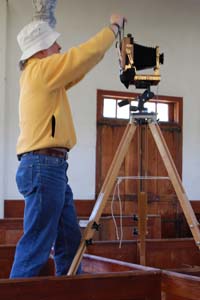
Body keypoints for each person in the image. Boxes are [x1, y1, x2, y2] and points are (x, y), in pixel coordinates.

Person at [10, 14, 126, 278]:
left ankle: (69, 289)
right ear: (41, 50)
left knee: (69, 242)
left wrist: (100, 52)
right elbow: (78, 58)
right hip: (44, 167)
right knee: (36, 245)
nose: (59, 47)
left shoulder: (39, 75)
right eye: (54, 44)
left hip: (50, 167)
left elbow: (78, 66)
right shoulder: (40, 70)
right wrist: (112, 29)